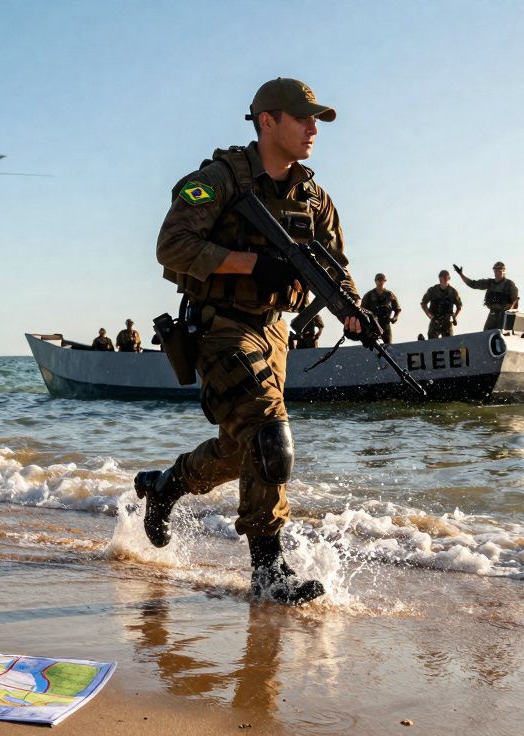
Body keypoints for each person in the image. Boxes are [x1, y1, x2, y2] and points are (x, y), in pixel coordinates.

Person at [138, 77, 367, 605]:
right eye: (302, 117)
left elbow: (336, 267)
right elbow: (171, 246)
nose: (313, 128)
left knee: (241, 448)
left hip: (274, 331)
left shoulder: (313, 196)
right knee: (269, 434)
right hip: (219, 325)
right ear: (268, 121)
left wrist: (354, 310)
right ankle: (269, 571)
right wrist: (252, 264)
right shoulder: (218, 180)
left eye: (316, 120)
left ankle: (165, 486)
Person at [455, 261, 518, 330]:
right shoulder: (490, 283)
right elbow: (473, 284)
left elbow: (515, 301)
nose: (497, 272)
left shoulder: (509, 284)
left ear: (504, 271)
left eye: (500, 270)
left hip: (504, 315)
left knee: (502, 335)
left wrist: (509, 314)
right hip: (493, 314)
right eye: (495, 270)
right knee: (487, 335)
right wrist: (461, 274)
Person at [359, 273, 401, 344]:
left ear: (384, 281)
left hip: (386, 324)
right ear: (375, 281)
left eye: (382, 280)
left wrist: (395, 317)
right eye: (378, 280)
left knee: (388, 345)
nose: (380, 282)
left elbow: (397, 309)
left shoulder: (389, 294)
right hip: (373, 324)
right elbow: (361, 309)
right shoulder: (369, 295)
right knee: (373, 344)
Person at [421, 270, 463, 338]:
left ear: (449, 278)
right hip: (435, 320)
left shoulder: (453, 292)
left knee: (448, 342)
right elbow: (423, 304)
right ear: (440, 278)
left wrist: (454, 316)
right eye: (443, 277)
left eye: (446, 277)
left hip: (447, 320)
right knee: (432, 341)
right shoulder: (432, 291)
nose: (445, 279)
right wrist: (430, 315)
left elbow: (459, 306)